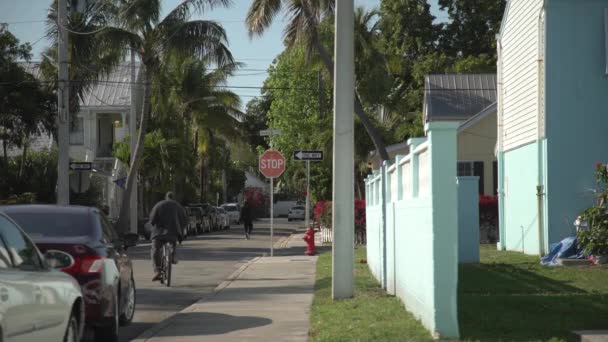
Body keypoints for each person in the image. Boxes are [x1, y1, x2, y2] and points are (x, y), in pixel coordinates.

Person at [148, 191, 187, 281]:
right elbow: (184, 220)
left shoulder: (159, 205)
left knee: (155, 249)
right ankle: (172, 256)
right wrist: (180, 230)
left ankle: (157, 270)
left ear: (166, 197)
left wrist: (151, 228)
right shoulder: (178, 206)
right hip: (173, 233)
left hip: (159, 234)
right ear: (173, 198)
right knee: (173, 242)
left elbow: (152, 220)